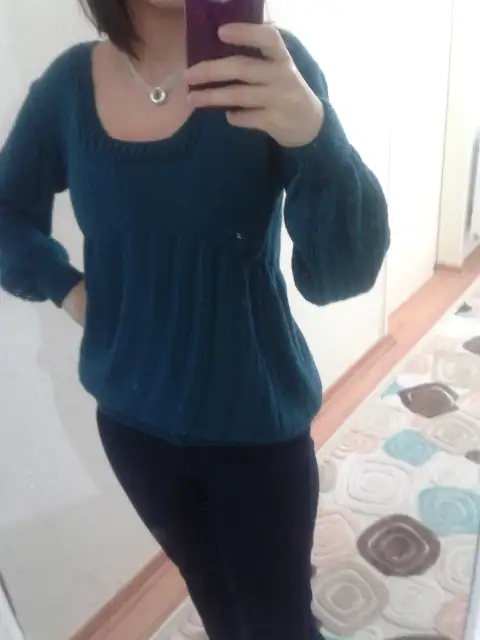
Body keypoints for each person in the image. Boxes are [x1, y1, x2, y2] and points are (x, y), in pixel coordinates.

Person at [0, 0, 389, 638]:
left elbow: (340, 273)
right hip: (133, 426)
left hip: (255, 430)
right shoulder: (69, 87)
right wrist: (67, 289)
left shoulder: (267, 68)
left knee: (279, 622)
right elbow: (7, 211)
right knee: (214, 600)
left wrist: (317, 137)